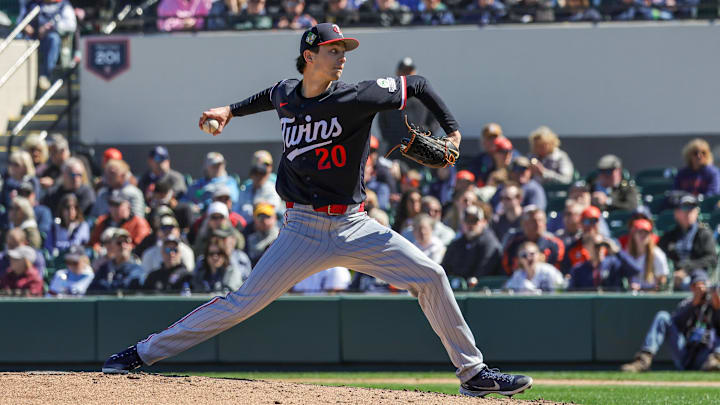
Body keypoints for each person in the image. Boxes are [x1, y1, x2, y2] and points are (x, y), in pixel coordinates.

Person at [102, 23, 532, 397]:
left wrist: (453, 133)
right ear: (309, 56)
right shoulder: (287, 93)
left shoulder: (356, 96)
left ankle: (473, 373)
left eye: (343, 51)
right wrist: (229, 111)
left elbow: (416, 84)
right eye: (333, 50)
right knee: (240, 304)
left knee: (432, 276)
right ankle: (141, 353)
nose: (341, 57)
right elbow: (269, 96)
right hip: (301, 229)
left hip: (354, 223)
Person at [621, 270, 720, 372]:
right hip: (685, 353)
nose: (700, 289)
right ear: (691, 288)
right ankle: (643, 361)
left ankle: (717, 361)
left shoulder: (713, 304)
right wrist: (694, 304)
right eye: (696, 286)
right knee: (663, 316)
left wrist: (717, 306)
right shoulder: (687, 303)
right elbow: (675, 323)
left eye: (703, 285)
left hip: (707, 356)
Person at [376, 57, 438, 155]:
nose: (407, 74)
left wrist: (426, 134)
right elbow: (382, 122)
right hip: (396, 149)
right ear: (398, 73)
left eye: (410, 71)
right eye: (404, 71)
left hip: (419, 151)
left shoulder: (424, 96)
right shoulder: (390, 96)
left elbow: (435, 119)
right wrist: (391, 137)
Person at [658, 194, 718, 290]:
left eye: (692, 209)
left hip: (698, 275)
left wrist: (686, 270)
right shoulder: (668, 236)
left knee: (697, 282)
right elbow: (660, 256)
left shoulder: (705, 234)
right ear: (676, 213)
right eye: (684, 208)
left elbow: (711, 259)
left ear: (697, 212)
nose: (688, 212)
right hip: (672, 275)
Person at [20, 0, 77, 90]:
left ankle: (45, 75)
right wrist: (25, 27)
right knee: (19, 40)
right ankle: (22, 77)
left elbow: (71, 25)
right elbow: (20, 21)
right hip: (32, 39)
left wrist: (50, 28)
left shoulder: (63, 5)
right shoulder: (33, 4)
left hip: (50, 40)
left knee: (53, 39)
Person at [441, 205, 503, 282]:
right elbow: (445, 268)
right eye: (467, 221)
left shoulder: (489, 243)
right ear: (462, 222)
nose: (470, 225)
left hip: (482, 290)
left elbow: (484, 270)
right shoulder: (456, 244)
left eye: (474, 221)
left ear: (483, 222)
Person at [567, 234, 641, 291]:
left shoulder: (613, 264)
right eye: (596, 246)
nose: (599, 249)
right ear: (586, 247)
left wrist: (617, 251)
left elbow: (635, 271)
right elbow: (571, 294)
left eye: (602, 245)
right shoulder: (578, 270)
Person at [503, 206, 564, 274]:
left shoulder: (555, 244)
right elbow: (507, 269)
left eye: (540, 220)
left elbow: (558, 269)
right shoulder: (514, 244)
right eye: (533, 221)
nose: (538, 224)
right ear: (524, 224)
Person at [88, 229, 144, 293]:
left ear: (131, 246)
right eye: (119, 243)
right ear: (112, 246)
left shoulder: (136, 268)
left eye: (126, 242)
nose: (123, 246)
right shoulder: (104, 268)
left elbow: (126, 286)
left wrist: (105, 285)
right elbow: (91, 289)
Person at [236, 150, 283, 222]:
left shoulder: (276, 183)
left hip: (266, 224)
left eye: (267, 165)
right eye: (256, 173)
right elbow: (237, 210)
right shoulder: (246, 187)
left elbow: (273, 210)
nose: (258, 176)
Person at [624, 218, 669, 291]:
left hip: (651, 298)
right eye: (640, 232)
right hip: (631, 296)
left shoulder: (657, 254)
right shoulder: (627, 253)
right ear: (633, 235)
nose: (643, 235)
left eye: (646, 232)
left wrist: (642, 289)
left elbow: (662, 285)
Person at [245, 202, 279, 266]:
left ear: (275, 218)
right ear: (254, 219)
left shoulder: (281, 235)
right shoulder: (247, 236)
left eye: (267, 216)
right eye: (260, 216)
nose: (264, 220)